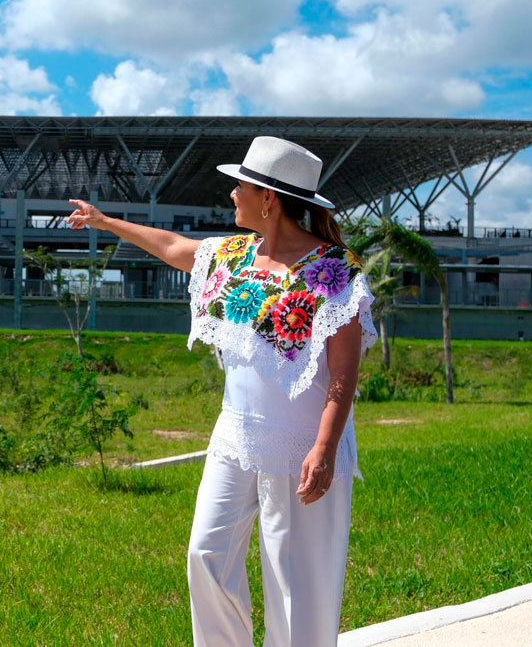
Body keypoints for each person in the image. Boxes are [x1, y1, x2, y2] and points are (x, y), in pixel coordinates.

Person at [68, 135, 375, 647]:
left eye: (240, 187)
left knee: (297, 584)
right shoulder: (232, 255)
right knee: (205, 554)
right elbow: (170, 246)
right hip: (235, 436)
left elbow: (345, 374)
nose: (232, 195)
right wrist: (105, 222)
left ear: (268, 199)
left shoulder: (335, 271)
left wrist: (323, 449)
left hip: (304, 446)